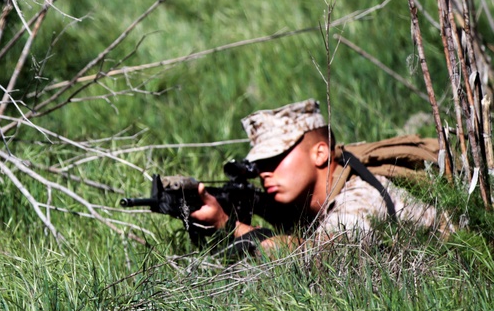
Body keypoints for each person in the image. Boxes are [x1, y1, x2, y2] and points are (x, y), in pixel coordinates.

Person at [190, 99, 451, 253]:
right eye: (259, 164)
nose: (264, 172)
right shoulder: (316, 199)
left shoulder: (361, 199)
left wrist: (230, 227)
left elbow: (312, 259)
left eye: (275, 159)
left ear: (321, 152)